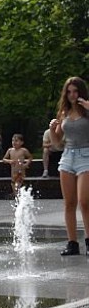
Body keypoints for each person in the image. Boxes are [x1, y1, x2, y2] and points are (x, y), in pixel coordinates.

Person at [49, 76, 89, 256]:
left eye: (76, 91)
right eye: (69, 91)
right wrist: (52, 130)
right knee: (69, 203)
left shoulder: (87, 110)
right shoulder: (64, 113)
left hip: (86, 157)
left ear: (81, 92)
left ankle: (88, 240)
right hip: (67, 158)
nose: (72, 95)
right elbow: (57, 144)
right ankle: (72, 243)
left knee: (84, 201)